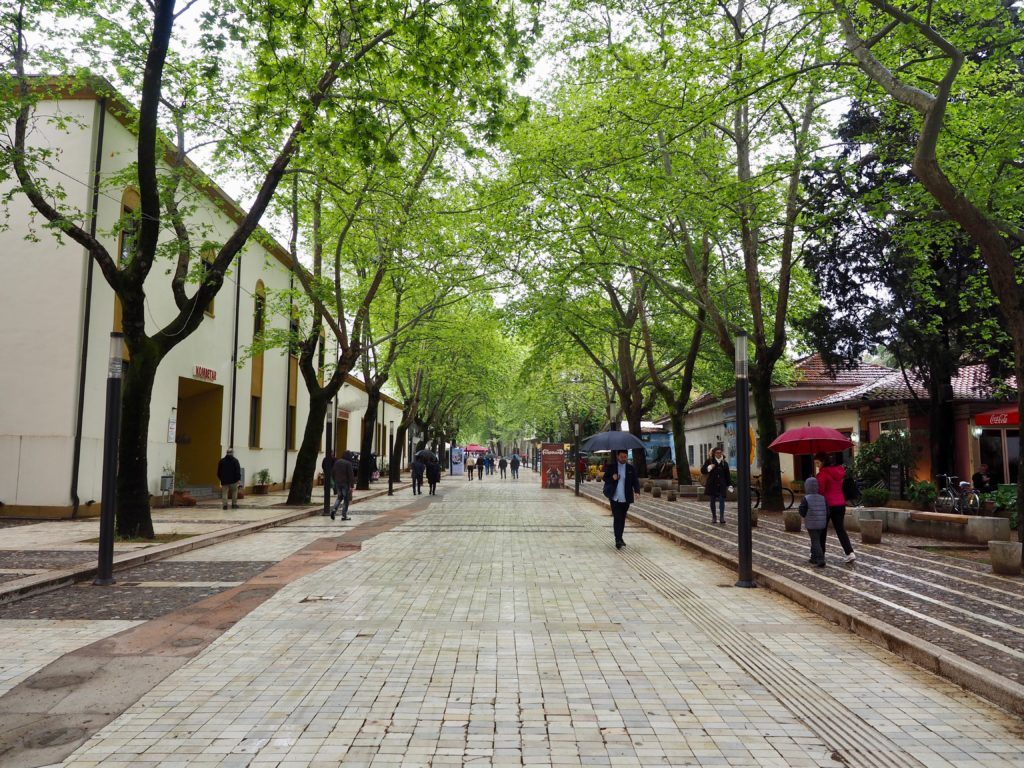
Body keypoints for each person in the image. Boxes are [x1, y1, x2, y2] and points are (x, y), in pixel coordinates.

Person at [815, 452, 855, 563]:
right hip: (840, 504)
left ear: (823, 462)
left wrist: (816, 480)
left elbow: (821, 490)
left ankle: (821, 554)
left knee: (822, 530)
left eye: (818, 463)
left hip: (828, 505)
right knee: (840, 529)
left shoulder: (823, 473)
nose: (817, 466)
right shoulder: (839, 471)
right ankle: (850, 552)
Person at [603, 449, 640, 549]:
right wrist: (612, 478)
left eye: (625, 457)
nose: (624, 459)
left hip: (626, 498)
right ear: (617, 456)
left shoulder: (630, 468)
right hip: (615, 498)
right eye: (622, 457)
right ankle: (617, 539)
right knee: (617, 517)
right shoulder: (612, 467)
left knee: (622, 518)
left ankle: (620, 537)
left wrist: (637, 492)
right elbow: (605, 478)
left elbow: (635, 481)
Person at [799, 476, 829, 567]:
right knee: (816, 540)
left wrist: (804, 515)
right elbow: (827, 511)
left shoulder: (806, 498)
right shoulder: (822, 498)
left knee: (815, 541)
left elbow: (802, 511)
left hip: (811, 524)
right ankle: (813, 557)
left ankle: (820, 559)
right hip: (822, 523)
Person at [701, 446, 732, 525]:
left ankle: (722, 517)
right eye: (717, 453)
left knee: (722, 501)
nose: (719, 454)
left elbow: (727, 475)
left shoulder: (724, 463)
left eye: (720, 452)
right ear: (714, 453)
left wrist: (729, 485)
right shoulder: (710, 461)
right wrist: (709, 467)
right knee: (712, 501)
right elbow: (703, 470)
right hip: (712, 485)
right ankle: (714, 516)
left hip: (721, 485)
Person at [331, 451, 356, 520]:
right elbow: (351, 475)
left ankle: (334, 510)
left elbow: (333, 472)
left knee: (339, 497)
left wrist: (335, 480)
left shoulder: (337, 462)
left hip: (338, 483)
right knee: (346, 499)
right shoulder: (348, 463)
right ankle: (344, 515)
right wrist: (352, 486)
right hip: (345, 483)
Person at [320, 450, 336, 515]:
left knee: (333, 482)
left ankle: (334, 491)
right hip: (327, 472)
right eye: (331, 453)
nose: (332, 454)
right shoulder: (326, 459)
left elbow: (335, 464)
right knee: (328, 483)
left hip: (332, 472)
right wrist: (325, 470)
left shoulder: (333, 459)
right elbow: (323, 465)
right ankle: (327, 491)